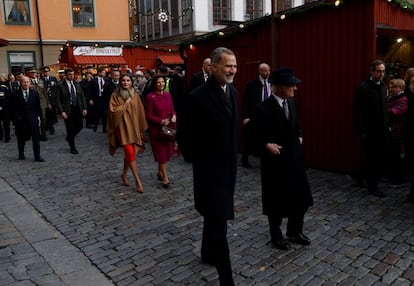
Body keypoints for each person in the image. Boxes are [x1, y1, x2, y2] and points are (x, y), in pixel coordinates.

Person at [177, 47, 238, 286]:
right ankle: (227, 278)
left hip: (228, 170)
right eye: (227, 66)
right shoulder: (198, 96)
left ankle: (206, 253)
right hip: (209, 172)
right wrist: (200, 162)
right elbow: (184, 135)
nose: (232, 70)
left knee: (214, 218)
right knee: (218, 223)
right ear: (213, 67)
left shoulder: (233, 91)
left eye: (234, 65)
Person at [250, 67, 313, 251]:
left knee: (301, 198)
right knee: (275, 201)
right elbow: (252, 135)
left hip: (295, 160)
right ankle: (276, 235)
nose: (295, 89)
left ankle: (295, 231)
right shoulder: (263, 108)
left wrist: (300, 135)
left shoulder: (291, 102)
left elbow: (297, 124)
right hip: (275, 164)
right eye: (291, 86)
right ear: (278, 87)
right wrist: (265, 145)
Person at [353, 60, 390, 197]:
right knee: (372, 159)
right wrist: (361, 131)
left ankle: (359, 176)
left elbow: (384, 109)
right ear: (372, 72)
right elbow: (358, 111)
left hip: (382, 130)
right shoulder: (364, 88)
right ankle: (373, 187)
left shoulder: (383, 86)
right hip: (370, 131)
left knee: (375, 157)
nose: (381, 74)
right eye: (379, 71)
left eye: (383, 71)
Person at [107, 74, 148, 193]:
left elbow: (139, 112)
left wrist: (140, 130)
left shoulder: (135, 95)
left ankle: (124, 175)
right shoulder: (115, 95)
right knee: (130, 152)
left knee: (129, 153)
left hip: (133, 128)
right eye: (123, 81)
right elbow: (112, 111)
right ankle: (137, 181)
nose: (125, 83)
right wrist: (125, 104)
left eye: (128, 80)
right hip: (121, 128)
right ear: (120, 82)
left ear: (131, 82)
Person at [145, 74, 177, 188]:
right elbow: (148, 115)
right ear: (154, 84)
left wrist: (174, 116)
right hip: (157, 130)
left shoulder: (168, 95)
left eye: (162, 82)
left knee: (166, 152)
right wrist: (161, 121)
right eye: (158, 82)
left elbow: (172, 110)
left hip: (168, 128)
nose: (161, 84)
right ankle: (165, 178)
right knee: (161, 154)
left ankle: (160, 172)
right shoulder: (150, 97)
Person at [241, 62, 271, 168]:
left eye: (268, 71)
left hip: (269, 115)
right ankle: (244, 159)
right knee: (250, 137)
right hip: (255, 115)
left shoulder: (272, 83)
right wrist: (245, 116)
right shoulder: (252, 84)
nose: (267, 73)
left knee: (268, 137)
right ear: (259, 71)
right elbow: (245, 101)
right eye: (264, 71)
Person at [9, 76, 44, 162]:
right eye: (24, 82)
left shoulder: (34, 93)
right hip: (21, 120)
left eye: (27, 82)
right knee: (21, 139)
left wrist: (39, 118)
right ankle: (21, 154)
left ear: (30, 83)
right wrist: (17, 118)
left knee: (36, 139)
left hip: (33, 119)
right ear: (20, 83)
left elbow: (38, 107)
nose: (26, 84)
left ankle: (37, 156)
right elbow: (13, 108)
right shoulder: (15, 94)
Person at [55, 67, 88, 154]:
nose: (72, 76)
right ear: (65, 75)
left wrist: (84, 108)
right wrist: (61, 111)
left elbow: (82, 97)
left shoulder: (77, 84)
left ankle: (69, 137)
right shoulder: (60, 85)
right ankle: (72, 147)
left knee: (80, 125)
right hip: (67, 109)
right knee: (70, 128)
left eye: (73, 74)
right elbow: (57, 100)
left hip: (77, 108)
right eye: (69, 74)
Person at [387, 78, 408, 186]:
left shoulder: (403, 99)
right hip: (392, 131)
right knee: (392, 155)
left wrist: (383, 108)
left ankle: (398, 179)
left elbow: (395, 112)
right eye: (390, 87)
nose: (390, 89)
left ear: (400, 88)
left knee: (397, 156)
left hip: (397, 132)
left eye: (393, 87)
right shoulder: (394, 97)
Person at [26, 67, 48, 141]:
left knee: (43, 119)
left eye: (34, 72)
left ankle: (43, 134)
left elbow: (44, 92)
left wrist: (48, 102)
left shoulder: (40, 81)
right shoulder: (27, 82)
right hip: (32, 104)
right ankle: (35, 134)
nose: (33, 74)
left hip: (42, 103)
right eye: (32, 72)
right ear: (29, 74)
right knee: (33, 120)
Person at [40, 66, 58, 135]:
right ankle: (50, 128)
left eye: (47, 72)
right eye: (44, 72)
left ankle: (48, 126)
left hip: (53, 99)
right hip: (45, 100)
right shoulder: (41, 80)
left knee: (52, 114)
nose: (46, 73)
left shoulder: (53, 79)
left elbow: (56, 89)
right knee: (47, 115)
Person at [91, 68, 108, 132]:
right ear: (99, 73)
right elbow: (91, 90)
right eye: (103, 72)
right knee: (97, 113)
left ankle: (104, 128)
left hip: (104, 99)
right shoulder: (94, 80)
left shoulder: (106, 80)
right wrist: (91, 99)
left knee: (105, 114)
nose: (104, 74)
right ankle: (95, 127)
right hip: (97, 98)